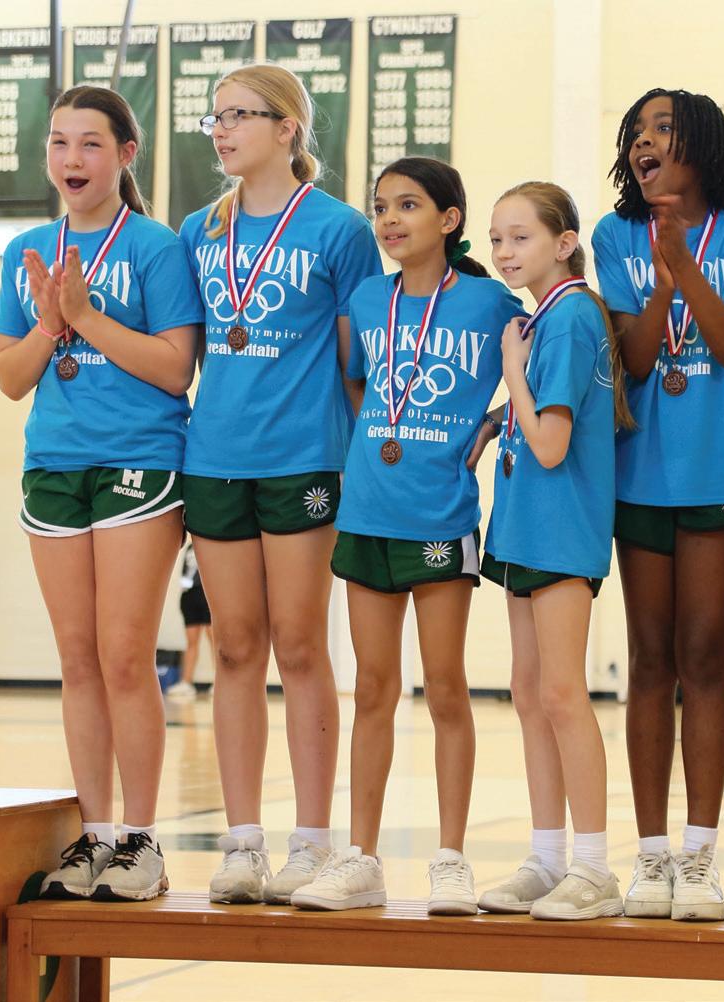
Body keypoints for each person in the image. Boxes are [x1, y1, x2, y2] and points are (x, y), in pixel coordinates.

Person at [290, 158, 522, 915]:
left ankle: (450, 860)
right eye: (382, 206)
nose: (390, 220)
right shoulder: (366, 298)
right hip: (367, 512)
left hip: (441, 517)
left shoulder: (491, 302)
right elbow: (358, 381)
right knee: (372, 690)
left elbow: (544, 365)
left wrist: (494, 421)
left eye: (409, 206)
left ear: (449, 221)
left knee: (446, 688)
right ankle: (360, 858)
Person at [0, 85, 202, 901]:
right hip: (54, 464)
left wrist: (83, 314)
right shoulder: (27, 250)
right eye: (58, 142)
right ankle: (97, 835)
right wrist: (50, 323)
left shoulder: (155, 246)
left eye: (89, 143)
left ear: (125, 154)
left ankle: (142, 840)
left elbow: (175, 369)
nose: (71, 159)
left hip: (139, 462)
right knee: (77, 658)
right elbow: (12, 379)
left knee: (123, 655)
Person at [179, 63, 382, 904]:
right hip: (212, 458)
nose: (222, 131)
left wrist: (369, 463)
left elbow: (359, 360)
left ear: (287, 127)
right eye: (215, 117)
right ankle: (242, 844)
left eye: (238, 116)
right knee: (233, 647)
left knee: (298, 645)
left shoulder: (338, 229)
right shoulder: (199, 229)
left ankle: (311, 841)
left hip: (303, 457)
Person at [591, 88, 724, 920]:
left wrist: (683, 262)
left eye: (662, 129)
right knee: (648, 661)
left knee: (703, 656)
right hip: (638, 473)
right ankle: (651, 856)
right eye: (635, 131)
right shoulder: (613, 234)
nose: (644, 142)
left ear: (699, 144)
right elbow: (635, 360)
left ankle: (699, 857)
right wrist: (661, 281)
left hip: (715, 474)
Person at [477, 182, 627, 921]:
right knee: (529, 690)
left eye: (520, 237)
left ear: (564, 243)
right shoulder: (546, 318)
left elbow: (551, 444)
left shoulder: (566, 319)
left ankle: (593, 867)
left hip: (561, 528)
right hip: (524, 526)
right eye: (496, 239)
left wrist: (511, 372)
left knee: (562, 694)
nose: (504, 252)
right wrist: (497, 417)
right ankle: (545, 859)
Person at [169, 543, 211, 699]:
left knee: (214, 639)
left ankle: (219, 681)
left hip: (207, 594)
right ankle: (186, 682)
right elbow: (185, 573)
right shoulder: (189, 548)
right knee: (191, 641)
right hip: (190, 595)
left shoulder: (210, 544)